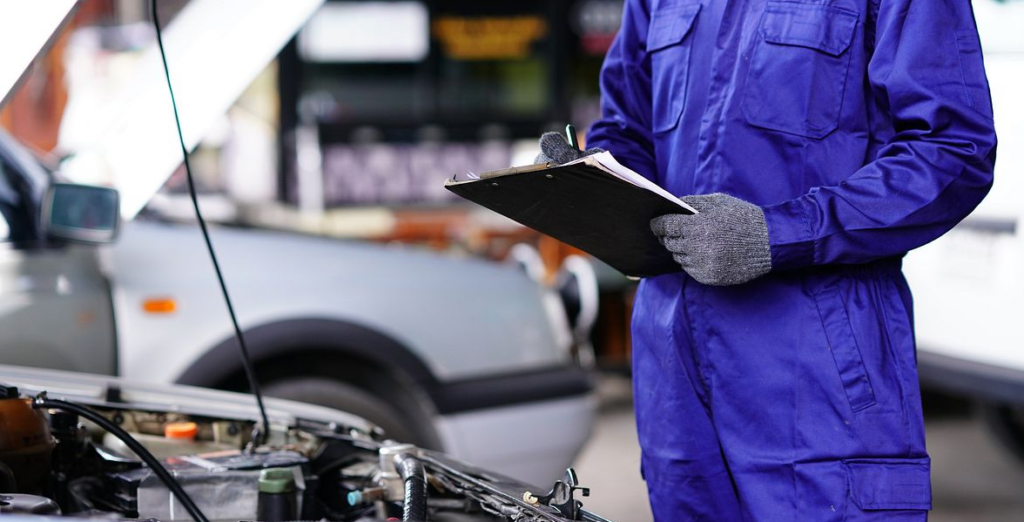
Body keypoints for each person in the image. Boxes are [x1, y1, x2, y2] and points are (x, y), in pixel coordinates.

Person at [537, 0, 996, 520]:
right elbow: (627, 126)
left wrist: (778, 234)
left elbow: (954, 150)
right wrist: (591, 182)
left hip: (819, 376)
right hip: (675, 376)